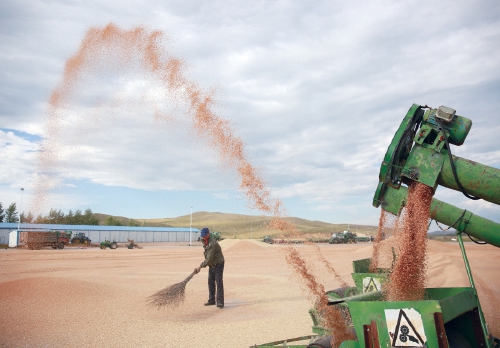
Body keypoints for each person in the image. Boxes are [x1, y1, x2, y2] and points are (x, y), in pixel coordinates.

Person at [194, 227, 225, 308]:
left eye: (204, 235)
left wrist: (200, 266)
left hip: (218, 264)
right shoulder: (204, 240)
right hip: (211, 264)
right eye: (202, 235)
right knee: (210, 282)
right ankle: (211, 300)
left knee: (218, 282)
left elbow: (209, 258)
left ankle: (220, 302)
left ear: (208, 234)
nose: (203, 237)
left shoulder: (212, 243)